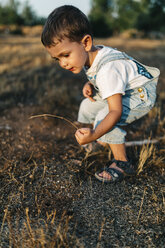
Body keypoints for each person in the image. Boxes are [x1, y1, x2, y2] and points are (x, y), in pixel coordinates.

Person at [41, 5, 160, 183]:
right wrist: (91, 83)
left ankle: (122, 163)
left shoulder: (107, 70)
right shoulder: (91, 55)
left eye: (65, 55)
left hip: (141, 95)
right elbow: (103, 78)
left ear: (86, 43)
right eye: (57, 59)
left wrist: (96, 130)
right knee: (87, 106)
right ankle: (96, 142)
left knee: (106, 117)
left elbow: (115, 111)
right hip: (125, 91)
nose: (63, 63)